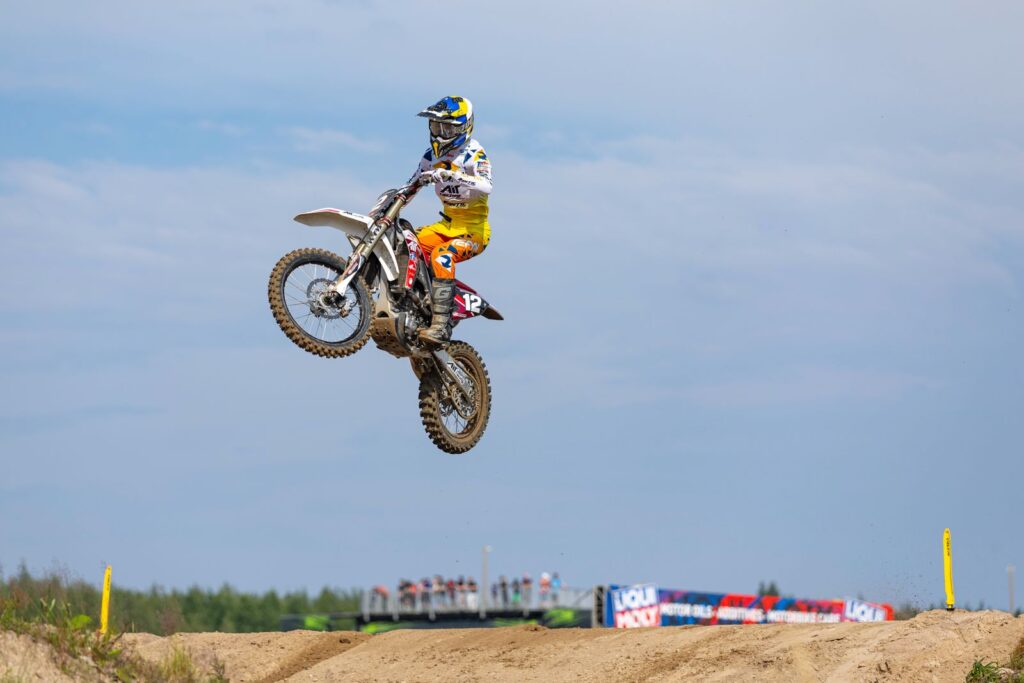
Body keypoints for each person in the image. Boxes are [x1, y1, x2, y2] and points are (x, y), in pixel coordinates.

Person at [410, 96, 493, 346]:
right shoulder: (430, 157)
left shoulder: (474, 154)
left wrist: (451, 175)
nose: (441, 133)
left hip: (473, 232)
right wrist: (385, 207)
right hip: (446, 226)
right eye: (437, 127)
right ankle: (414, 301)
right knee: (406, 242)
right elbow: (411, 185)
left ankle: (441, 326)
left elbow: (486, 186)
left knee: (441, 256)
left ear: (463, 127)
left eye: (447, 128)